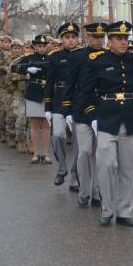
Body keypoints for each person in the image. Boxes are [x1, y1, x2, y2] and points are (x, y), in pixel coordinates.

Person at [81, 21, 133, 227]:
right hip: (106, 118)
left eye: (125, 39)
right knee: (106, 165)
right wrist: (92, 116)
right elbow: (86, 92)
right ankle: (107, 209)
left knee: (128, 168)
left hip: (130, 117)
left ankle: (124, 211)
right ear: (109, 41)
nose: (123, 42)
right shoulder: (97, 61)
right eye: (118, 39)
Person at [63, 22, 105, 204]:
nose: (99, 40)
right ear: (87, 37)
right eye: (95, 37)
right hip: (82, 109)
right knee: (85, 152)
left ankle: (96, 192)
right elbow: (70, 84)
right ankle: (84, 191)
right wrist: (67, 109)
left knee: (100, 154)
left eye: (101, 37)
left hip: (103, 109)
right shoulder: (78, 56)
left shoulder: (109, 57)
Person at [44, 22, 81, 187]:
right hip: (59, 102)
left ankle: (75, 175)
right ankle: (62, 167)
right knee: (58, 135)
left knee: (79, 143)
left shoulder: (84, 56)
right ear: (62, 39)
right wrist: (47, 107)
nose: (71, 40)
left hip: (78, 102)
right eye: (67, 37)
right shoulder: (55, 57)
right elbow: (49, 83)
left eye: (73, 37)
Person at [16, 34, 52, 163]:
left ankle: (46, 154)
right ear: (35, 46)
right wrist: (27, 68)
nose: (41, 48)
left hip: (48, 93)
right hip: (34, 93)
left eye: (43, 45)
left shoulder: (51, 58)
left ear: (47, 46)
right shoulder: (29, 58)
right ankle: (36, 153)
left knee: (47, 125)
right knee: (35, 124)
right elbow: (15, 67)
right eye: (39, 46)